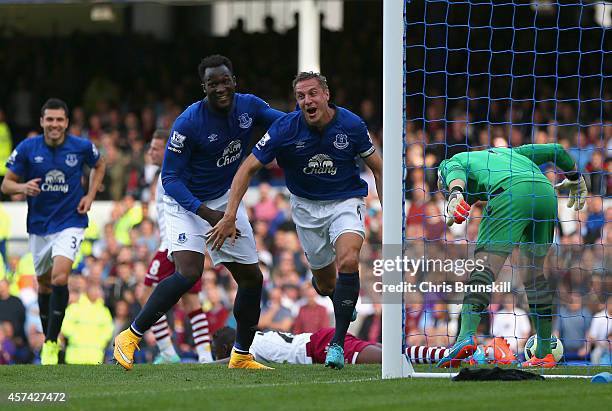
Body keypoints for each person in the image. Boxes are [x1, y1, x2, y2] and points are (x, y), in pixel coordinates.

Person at [113, 55, 284, 370]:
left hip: (224, 199)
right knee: (189, 271)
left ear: (234, 79)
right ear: (203, 87)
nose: (220, 88)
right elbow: (170, 179)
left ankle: (241, 356)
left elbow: (285, 123)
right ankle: (130, 336)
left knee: (251, 278)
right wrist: (208, 215)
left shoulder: (250, 107)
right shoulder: (189, 123)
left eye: (225, 81)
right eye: (212, 84)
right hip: (186, 202)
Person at [207, 72, 383, 369]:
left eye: (312, 94)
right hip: (305, 209)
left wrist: (389, 212)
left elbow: (378, 167)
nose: (307, 101)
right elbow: (245, 170)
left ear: (326, 94)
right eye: (301, 97)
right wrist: (228, 216)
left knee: (350, 260)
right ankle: (340, 296)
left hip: (345, 201)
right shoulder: (285, 129)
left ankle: (337, 343)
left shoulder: (351, 125)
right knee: (326, 284)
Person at [436, 143, 587, 368]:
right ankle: (544, 352)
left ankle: (465, 336)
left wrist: (455, 192)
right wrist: (575, 177)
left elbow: (455, 174)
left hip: (510, 192)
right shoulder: (512, 154)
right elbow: (556, 150)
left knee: (483, 268)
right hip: (546, 194)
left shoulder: (451, 163)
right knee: (533, 275)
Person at [1, 98, 106, 365]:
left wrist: (90, 195)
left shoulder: (80, 146)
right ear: (42, 121)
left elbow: (100, 164)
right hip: (39, 227)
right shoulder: (28, 148)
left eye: (59, 120)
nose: (55, 124)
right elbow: (6, 185)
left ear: (66, 123)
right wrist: (24, 187)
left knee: (60, 278)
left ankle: (50, 342)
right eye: (50, 119)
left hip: (71, 221)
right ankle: (49, 339)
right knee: (44, 283)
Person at [142, 129, 212, 364]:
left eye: (155, 147)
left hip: (172, 244)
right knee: (192, 301)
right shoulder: (168, 173)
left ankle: (167, 352)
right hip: (183, 244)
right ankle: (204, 355)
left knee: (146, 294)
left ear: (167, 151)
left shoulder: (172, 175)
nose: (150, 151)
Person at [211, 327, 515, 366]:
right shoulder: (258, 336)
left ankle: (478, 354)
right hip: (318, 340)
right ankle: (477, 353)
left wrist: (204, 361)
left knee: (391, 360)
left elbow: (223, 363)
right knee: (397, 355)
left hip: (317, 346)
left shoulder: (246, 347)